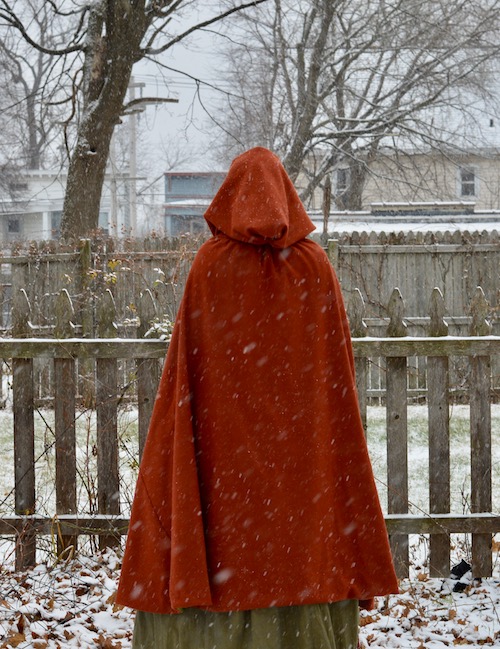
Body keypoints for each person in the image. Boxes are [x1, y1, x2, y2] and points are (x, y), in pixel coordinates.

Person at [116, 147, 398, 648]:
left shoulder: (211, 266)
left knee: (232, 530)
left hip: (224, 452)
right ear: (289, 196)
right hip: (301, 455)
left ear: (230, 195)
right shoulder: (314, 266)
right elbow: (334, 378)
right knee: (299, 531)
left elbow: (189, 375)